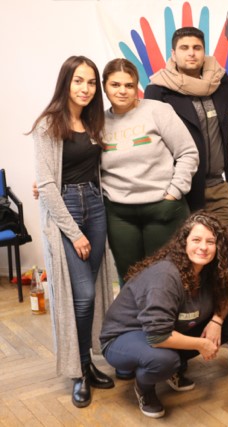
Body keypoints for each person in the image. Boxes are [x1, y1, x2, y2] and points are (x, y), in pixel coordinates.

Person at [30, 56, 114, 408]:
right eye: (78, 80)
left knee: (91, 292)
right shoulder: (48, 124)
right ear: (65, 83)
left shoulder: (95, 122)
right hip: (67, 211)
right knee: (83, 296)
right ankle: (78, 371)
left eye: (91, 82)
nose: (85, 88)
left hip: (95, 206)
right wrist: (74, 233)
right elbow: (48, 184)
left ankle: (88, 363)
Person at [100, 212, 228, 418]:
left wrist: (217, 321)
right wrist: (201, 344)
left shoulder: (211, 269)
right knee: (164, 360)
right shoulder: (166, 276)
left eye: (210, 242)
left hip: (164, 330)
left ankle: (173, 367)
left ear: (219, 246)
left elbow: (227, 294)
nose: (203, 247)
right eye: (196, 240)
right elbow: (157, 336)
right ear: (184, 242)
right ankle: (145, 388)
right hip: (123, 336)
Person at [145, 26, 228, 240]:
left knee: (224, 254)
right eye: (184, 48)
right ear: (173, 54)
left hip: (219, 188)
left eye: (197, 48)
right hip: (182, 190)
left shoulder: (220, 82)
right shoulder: (158, 91)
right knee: (185, 254)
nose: (191, 53)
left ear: (204, 52)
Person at [101, 58, 199, 282]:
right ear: (104, 86)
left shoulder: (158, 111)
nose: (122, 91)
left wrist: (174, 192)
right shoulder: (98, 121)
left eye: (129, 85)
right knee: (130, 279)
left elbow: (188, 153)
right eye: (115, 85)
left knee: (167, 277)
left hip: (163, 208)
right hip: (119, 214)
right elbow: (85, 162)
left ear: (136, 86)